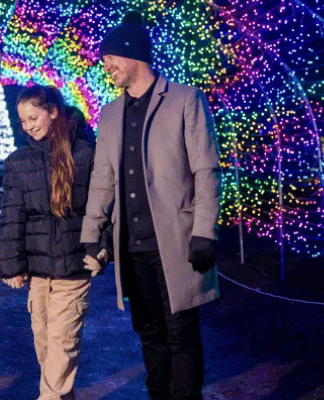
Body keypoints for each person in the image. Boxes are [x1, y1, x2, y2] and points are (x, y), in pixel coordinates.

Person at [80, 11, 222, 400]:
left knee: (181, 333)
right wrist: (91, 235)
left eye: (110, 57)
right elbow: (102, 180)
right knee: (149, 332)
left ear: (132, 55)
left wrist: (204, 231)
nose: (105, 65)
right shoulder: (109, 113)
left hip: (177, 240)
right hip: (133, 245)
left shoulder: (184, 100)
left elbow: (206, 170)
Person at [0, 85, 109, 400]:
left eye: (33, 117)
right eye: (23, 121)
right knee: (46, 348)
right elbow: (12, 217)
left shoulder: (87, 154)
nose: (28, 126)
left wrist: (103, 248)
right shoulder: (17, 162)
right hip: (38, 274)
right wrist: (11, 266)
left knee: (61, 350)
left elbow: (106, 209)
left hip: (73, 269)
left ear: (53, 112)